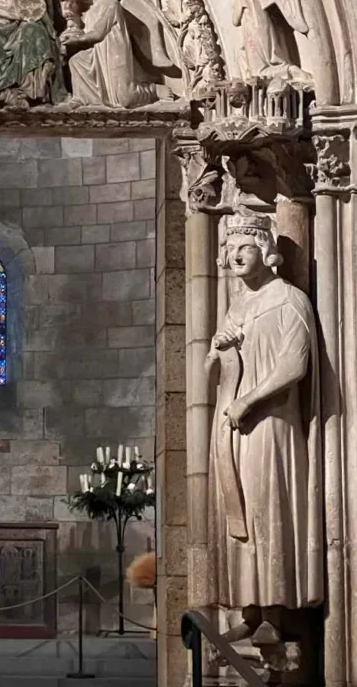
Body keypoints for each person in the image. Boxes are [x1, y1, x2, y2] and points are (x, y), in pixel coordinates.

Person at [206, 213, 322, 648]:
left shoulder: (290, 299)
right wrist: (220, 350)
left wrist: (250, 400)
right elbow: (215, 364)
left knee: (270, 510)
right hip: (236, 425)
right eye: (230, 247)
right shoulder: (238, 306)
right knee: (241, 517)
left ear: (268, 252)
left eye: (246, 247)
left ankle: (275, 611)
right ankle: (250, 611)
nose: (235, 255)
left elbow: (295, 364)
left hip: (271, 423)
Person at [58, 0, 158, 108]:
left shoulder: (110, 3)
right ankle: (84, 98)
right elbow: (88, 34)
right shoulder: (92, 10)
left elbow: (99, 33)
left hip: (113, 52)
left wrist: (76, 40)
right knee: (76, 62)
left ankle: (153, 90)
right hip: (98, 53)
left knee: (125, 99)